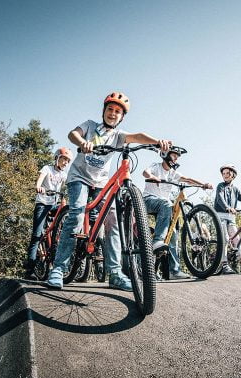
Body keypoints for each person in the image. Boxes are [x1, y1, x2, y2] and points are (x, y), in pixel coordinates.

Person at [46, 91, 172, 290]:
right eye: (110, 109)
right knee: (77, 214)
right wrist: (82, 143)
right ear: (104, 111)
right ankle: (58, 269)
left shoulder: (118, 136)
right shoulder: (90, 125)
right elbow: (73, 134)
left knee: (113, 221)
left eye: (117, 112)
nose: (113, 114)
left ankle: (114, 273)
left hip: (101, 183)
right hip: (79, 177)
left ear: (122, 117)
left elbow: (138, 136)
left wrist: (157, 141)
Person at [142, 148, 212, 279]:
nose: (176, 159)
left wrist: (203, 184)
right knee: (166, 204)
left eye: (177, 157)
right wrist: (152, 177)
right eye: (174, 156)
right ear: (165, 155)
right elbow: (145, 172)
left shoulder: (173, 173)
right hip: (149, 200)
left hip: (164, 207)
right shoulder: (156, 166)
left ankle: (174, 271)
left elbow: (188, 179)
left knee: (173, 234)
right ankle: (157, 241)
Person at [24, 146, 72, 279]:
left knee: (68, 212)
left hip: (54, 205)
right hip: (43, 204)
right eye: (64, 159)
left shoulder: (64, 174)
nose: (65, 163)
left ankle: (57, 239)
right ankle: (30, 270)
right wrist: (39, 186)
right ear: (57, 158)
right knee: (37, 236)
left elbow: (69, 185)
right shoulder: (47, 168)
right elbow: (40, 179)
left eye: (68, 161)